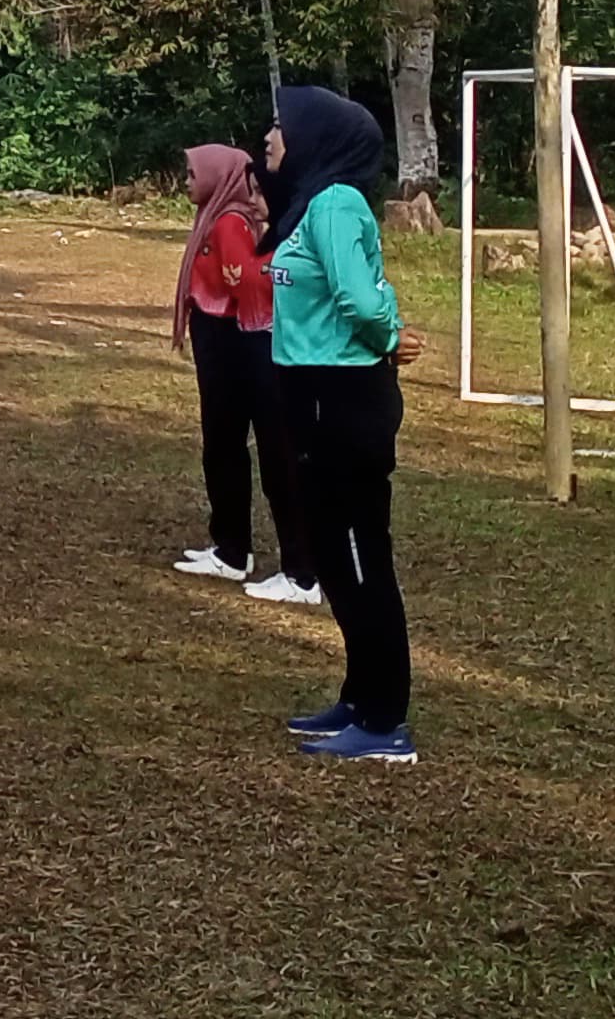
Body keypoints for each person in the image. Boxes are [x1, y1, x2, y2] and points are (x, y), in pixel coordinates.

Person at [266, 87, 417, 763]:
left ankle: (385, 722)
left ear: (316, 137)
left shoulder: (335, 203)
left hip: (343, 398)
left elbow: (359, 297)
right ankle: (357, 698)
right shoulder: (310, 206)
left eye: (281, 126)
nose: (269, 136)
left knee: (359, 558)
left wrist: (387, 333)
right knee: (334, 557)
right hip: (313, 394)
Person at [167, 143, 313, 604]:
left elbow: (247, 280)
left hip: (237, 340)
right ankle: (232, 549)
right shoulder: (215, 218)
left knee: (255, 450)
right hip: (227, 338)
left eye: (193, 174)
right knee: (227, 445)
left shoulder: (228, 223)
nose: (188, 183)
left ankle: (289, 565)